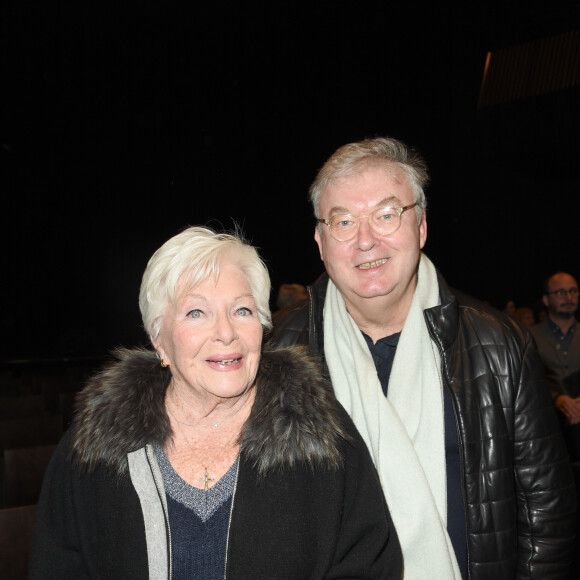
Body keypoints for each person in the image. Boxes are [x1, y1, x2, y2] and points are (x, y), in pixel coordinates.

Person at [272, 137, 577, 579]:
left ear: (421, 226)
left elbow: (547, 513)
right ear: (320, 241)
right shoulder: (276, 349)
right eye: (343, 221)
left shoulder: (497, 342)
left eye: (386, 214)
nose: (365, 240)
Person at [29, 226, 402, 579]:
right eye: (197, 313)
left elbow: (370, 564)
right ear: (159, 339)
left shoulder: (322, 434)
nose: (226, 333)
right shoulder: (96, 445)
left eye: (242, 310)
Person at [531, 272, 580, 450]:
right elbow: (527, 382)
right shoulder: (529, 336)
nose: (568, 297)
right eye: (560, 292)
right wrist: (556, 399)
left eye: (573, 291)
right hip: (546, 434)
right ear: (545, 300)